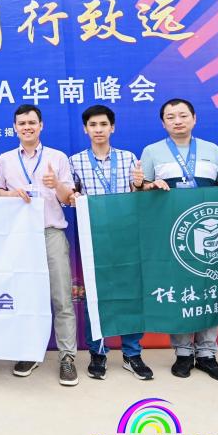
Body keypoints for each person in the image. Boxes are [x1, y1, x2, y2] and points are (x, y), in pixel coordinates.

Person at [139, 97, 218, 383]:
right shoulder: (152, 151)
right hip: (173, 231)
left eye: (183, 115)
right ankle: (183, 353)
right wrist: (150, 186)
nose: (177, 121)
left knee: (213, 287)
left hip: (212, 233)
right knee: (181, 288)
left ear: (194, 118)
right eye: (170, 117)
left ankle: (208, 354)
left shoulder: (212, 149)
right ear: (163, 123)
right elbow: (140, 190)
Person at [0, 104, 79, 386]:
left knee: (62, 297)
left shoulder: (57, 157)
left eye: (32, 122)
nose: (27, 127)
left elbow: (68, 199)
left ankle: (67, 358)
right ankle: (29, 353)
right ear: (15, 128)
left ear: (41, 125)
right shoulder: (5, 160)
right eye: (22, 123)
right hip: (19, 236)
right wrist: (10, 195)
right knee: (26, 297)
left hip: (50, 232)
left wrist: (56, 185)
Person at [67, 105, 153, 382]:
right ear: (85, 129)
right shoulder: (75, 161)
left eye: (104, 124)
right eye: (93, 125)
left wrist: (138, 185)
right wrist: (69, 194)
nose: (98, 129)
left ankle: (132, 353)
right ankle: (98, 353)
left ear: (112, 127)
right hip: (93, 236)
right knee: (95, 295)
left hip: (127, 234)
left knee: (131, 293)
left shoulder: (128, 158)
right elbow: (70, 196)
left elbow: (137, 193)